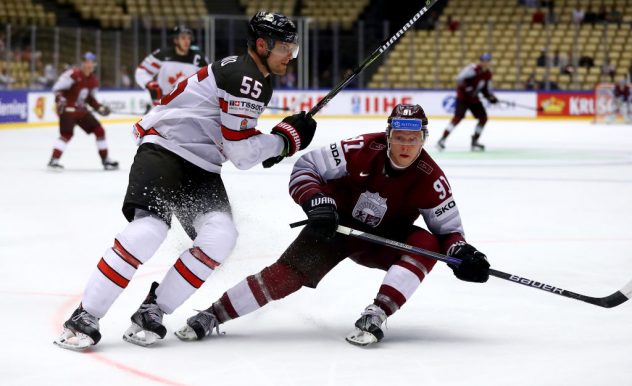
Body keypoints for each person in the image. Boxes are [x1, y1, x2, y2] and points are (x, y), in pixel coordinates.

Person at [54, 11, 317, 351]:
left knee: (221, 237)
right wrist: (283, 141)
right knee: (149, 231)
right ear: (262, 44)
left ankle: (153, 309)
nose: (290, 55)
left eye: (293, 49)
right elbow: (240, 154)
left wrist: (277, 143)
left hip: (202, 166)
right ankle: (85, 316)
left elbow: (238, 142)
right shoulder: (245, 76)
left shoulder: (258, 77)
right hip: (164, 150)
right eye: (285, 47)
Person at [175, 104, 490, 346]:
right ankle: (213, 314)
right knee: (284, 277)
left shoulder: (431, 178)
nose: (406, 146)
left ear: (424, 139)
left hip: (380, 241)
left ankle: (377, 313)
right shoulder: (360, 150)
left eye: (414, 138)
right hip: (333, 228)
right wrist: (315, 200)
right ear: (388, 135)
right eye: (399, 138)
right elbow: (306, 167)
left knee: (429, 246)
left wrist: (463, 254)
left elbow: (448, 232)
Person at [47, 52, 116, 171]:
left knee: (99, 130)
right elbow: (57, 89)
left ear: (94, 64)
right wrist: (61, 100)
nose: (88, 65)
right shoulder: (72, 75)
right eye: (86, 62)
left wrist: (99, 108)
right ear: (82, 63)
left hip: (81, 111)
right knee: (66, 134)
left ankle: (105, 160)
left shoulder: (93, 81)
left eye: (91, 62)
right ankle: (54, 160)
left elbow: (90, 99)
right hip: (67, 111)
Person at [135, 25, 208, 108]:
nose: (187, 41)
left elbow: (207, 80)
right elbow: (142, 71)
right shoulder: (162, 55)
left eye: (189, 38)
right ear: (176, 40)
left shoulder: (199, 58)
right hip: (165, 103)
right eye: (183, 38)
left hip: (189, 104)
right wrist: (149, 83)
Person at [436, 53, 498, 152]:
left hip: (473, 99)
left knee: (483, 118)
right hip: (463, 98)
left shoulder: (488, 74)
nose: (485, 63)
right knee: (457, 118)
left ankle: (475, 141)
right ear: (480, 61)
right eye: (484, 61)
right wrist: (467, 88)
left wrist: (490, 97)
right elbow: (460, 79)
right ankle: (442, 139)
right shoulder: (473, 69)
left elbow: (484, 89)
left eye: (487, 61)